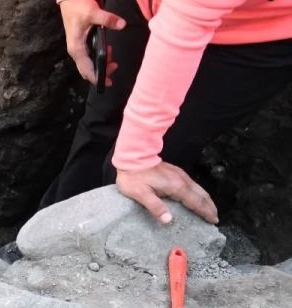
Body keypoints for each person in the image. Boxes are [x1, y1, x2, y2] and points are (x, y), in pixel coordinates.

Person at [41, 0, 292, 225]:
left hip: (254, 33)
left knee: (152, 163)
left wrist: (137, 158)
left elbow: (189, 14)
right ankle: (43, 242)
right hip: (145, 6)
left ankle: (103, 260)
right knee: (101, 123)